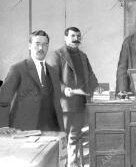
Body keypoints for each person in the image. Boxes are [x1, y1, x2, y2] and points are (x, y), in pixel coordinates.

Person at [47, 27, 99, 167]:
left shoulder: (83, 56)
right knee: (62, 138)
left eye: (78, 36)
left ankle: (72, 163)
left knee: (74, 136)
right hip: (64, 104)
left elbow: (91, 76)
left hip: (81, 103)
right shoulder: (56, 54)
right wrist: (65, 89)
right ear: (65, 38)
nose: (76, 38)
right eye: (72, 36)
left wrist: (97, 87)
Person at [0, 30, 64, 131]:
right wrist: (3, 125)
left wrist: (61, 129)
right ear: (29, 46)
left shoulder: (53, 72)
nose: (41, 48)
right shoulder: (17, 69)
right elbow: (3, 99)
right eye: (37, 44)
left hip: (51, 129)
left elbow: (56, 102)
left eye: (45, 44)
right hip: (23, 129)